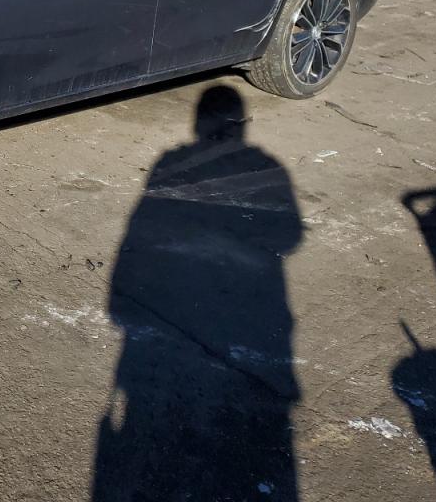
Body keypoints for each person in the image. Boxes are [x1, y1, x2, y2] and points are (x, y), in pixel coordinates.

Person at [92, 85, 304, 502]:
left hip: (180, 328)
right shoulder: (266, 165)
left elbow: (137, 226)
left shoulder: (170, 162)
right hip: (254, 314)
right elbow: (292, 235)